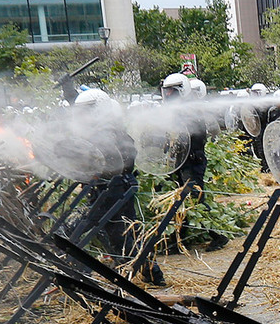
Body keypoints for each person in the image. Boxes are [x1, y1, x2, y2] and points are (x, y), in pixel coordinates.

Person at [74, 88, 165, 286]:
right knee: (123, 235)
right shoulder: (105, 130)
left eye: (86, 110)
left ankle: (84, 274)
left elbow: (109, 163)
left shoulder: (106, 133)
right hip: (114, 188)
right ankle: (151, 273)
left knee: (81, 229)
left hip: (113, 190)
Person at [161, 72, 228, 250]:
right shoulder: (175, 111)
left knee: (195, 200)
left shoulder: (192, 110)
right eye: (166, 91)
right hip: (180, 162)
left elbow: (196, 137)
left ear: (181, 91)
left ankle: (218, 235)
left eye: (171, 91)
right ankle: (178, 240)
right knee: (180, 201)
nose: (168, 95)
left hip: (192, 161)